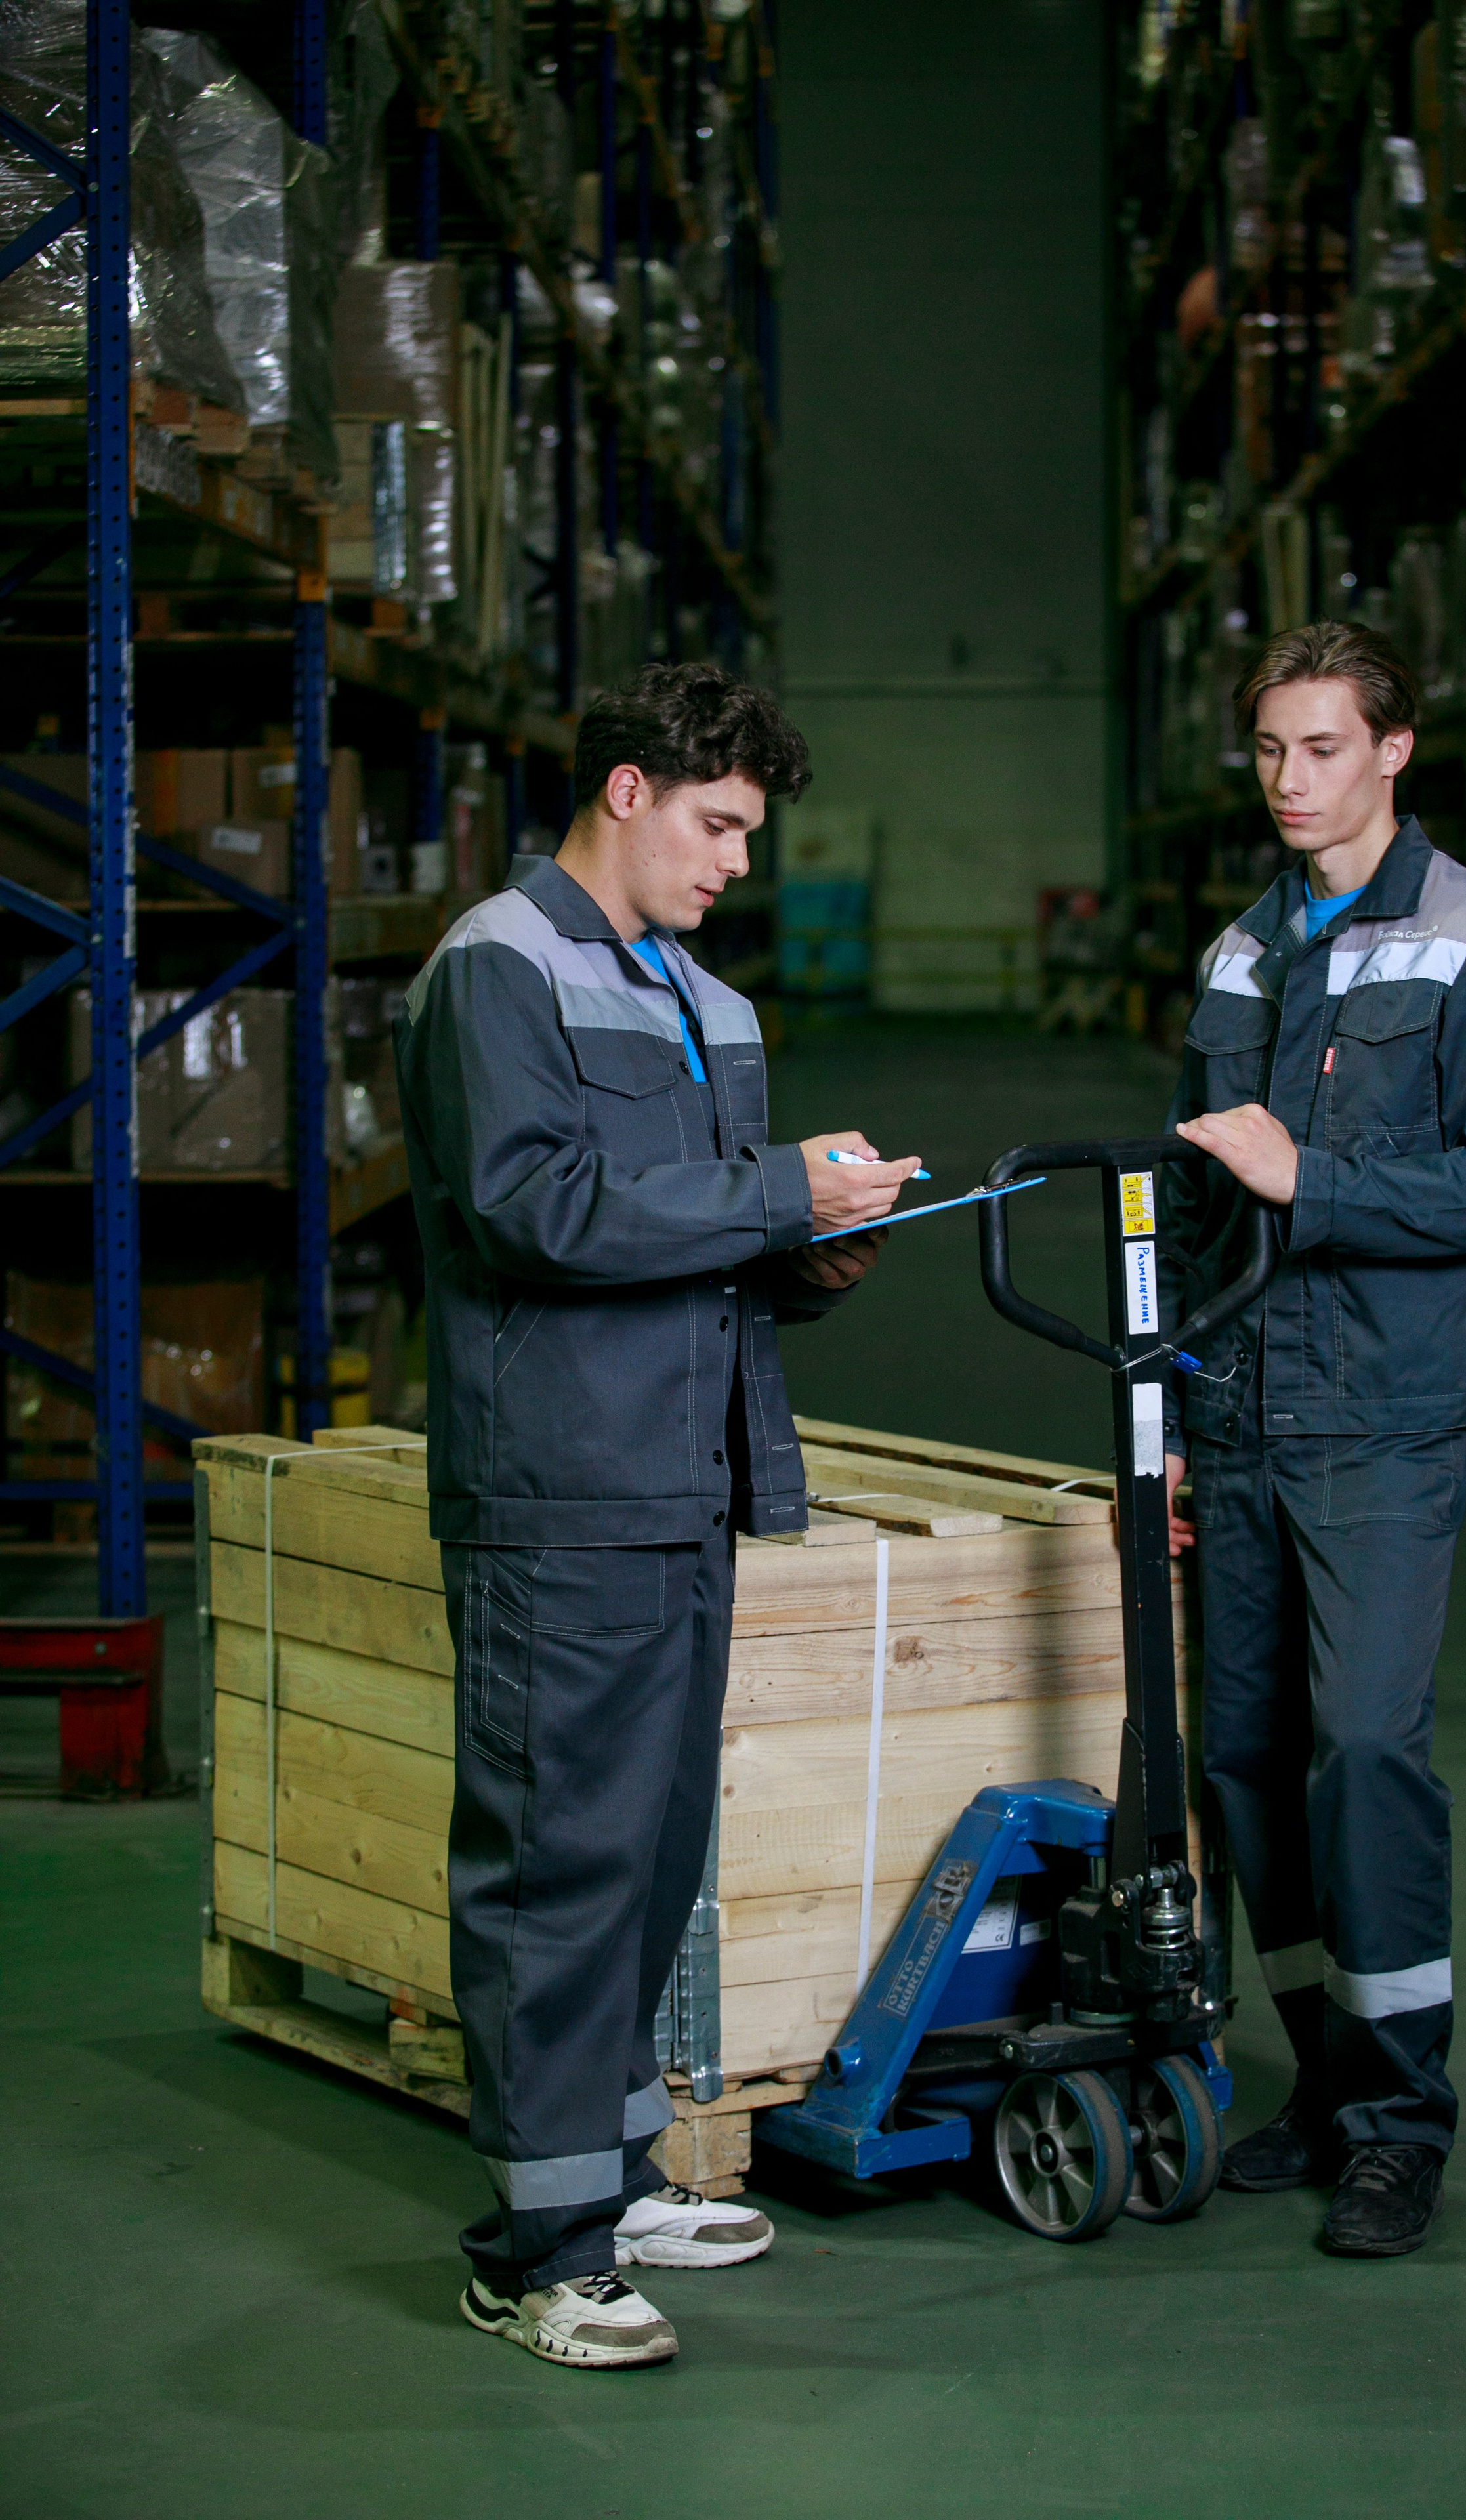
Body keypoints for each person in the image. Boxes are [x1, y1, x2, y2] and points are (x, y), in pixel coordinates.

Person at [394, 663, 921, 2368]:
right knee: (559, 1861)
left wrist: (815, 1247)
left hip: (685, 1482)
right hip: (557, 1490)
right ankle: (535, 2249)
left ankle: (606, 2183)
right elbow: (534, 1209)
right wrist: (774, 1191)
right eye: (717, 827)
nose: (734, 868)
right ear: (626, 792)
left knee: (646, 1863)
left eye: (751, 836)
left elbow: (704, 1244)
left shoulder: (708, 999)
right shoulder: (503, 968)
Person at [1157, 620, 1466, 2258]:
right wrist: (1175, 1411)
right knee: (1245, 1760)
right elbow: (1195, 1206)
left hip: (1383, 1417)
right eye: (1266, 750)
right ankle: (1321, 2080)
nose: (1287, 781)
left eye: (1321, 749)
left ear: (1393, 751)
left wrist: (1309, 1181)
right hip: (1245, 1411)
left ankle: (1402, 2120)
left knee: (1367, 1755)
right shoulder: (1238, 954)